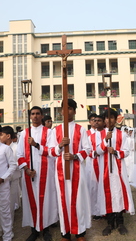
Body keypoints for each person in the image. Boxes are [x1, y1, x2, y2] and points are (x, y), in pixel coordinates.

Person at [48, 99, 91, 241]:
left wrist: (75, 156)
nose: (67, 111)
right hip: (60, 171)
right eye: (64, 109)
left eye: (70, 109)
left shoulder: (81, 129)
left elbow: (88, 149)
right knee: (63, 201)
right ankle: (65, 233)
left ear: (74, 111)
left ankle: (80, 232)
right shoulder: (56, 130)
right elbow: (51, 152)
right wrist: (60, 145)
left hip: (77, 170)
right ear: (60, 111)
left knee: (78, 201)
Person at [17, 106, 58, 241]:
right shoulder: (24, 133)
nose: (35, 116)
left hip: (45, 172)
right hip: (30, 173)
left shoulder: (49, 132)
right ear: (29, 116)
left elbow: (52, 151)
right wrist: (26, 169)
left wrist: (35, 145)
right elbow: (19, 154)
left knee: (46, 200)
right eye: (33, 114)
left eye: (37, 114)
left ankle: (46, 228)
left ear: (42, 115)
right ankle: (34, 229)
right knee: (31, 200)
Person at [95, 108, 135, 236]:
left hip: (118, 170)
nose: (109, 120)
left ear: (115, 119)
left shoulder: (122, 134)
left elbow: (127, 151)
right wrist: (105, 141)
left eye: (111, 117)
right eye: (106, 118)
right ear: (104, 120)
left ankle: (120, 222)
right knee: (107, 194)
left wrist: (116, 152)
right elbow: (95, 152)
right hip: (105, 170)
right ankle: (110, 223)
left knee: (118, 194)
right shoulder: (100, 135)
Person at [0, 126, 21, 226]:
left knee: (10, 202)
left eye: (1, 135)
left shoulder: (16, 148)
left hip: (13, 178)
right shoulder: (0, 147)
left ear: (8, 136)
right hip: (2, 179)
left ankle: (9, 225)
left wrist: (9, 166)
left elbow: (19, 162)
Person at [87, 114, 105, 219]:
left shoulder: (106, 134)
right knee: (94, 187)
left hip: (104, 163)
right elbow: (86, 150)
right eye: (94, 120)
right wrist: (95, 153)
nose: (96, 122)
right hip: (92, 163)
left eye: (98, 120)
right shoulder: (88, 135)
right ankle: (95, 210)